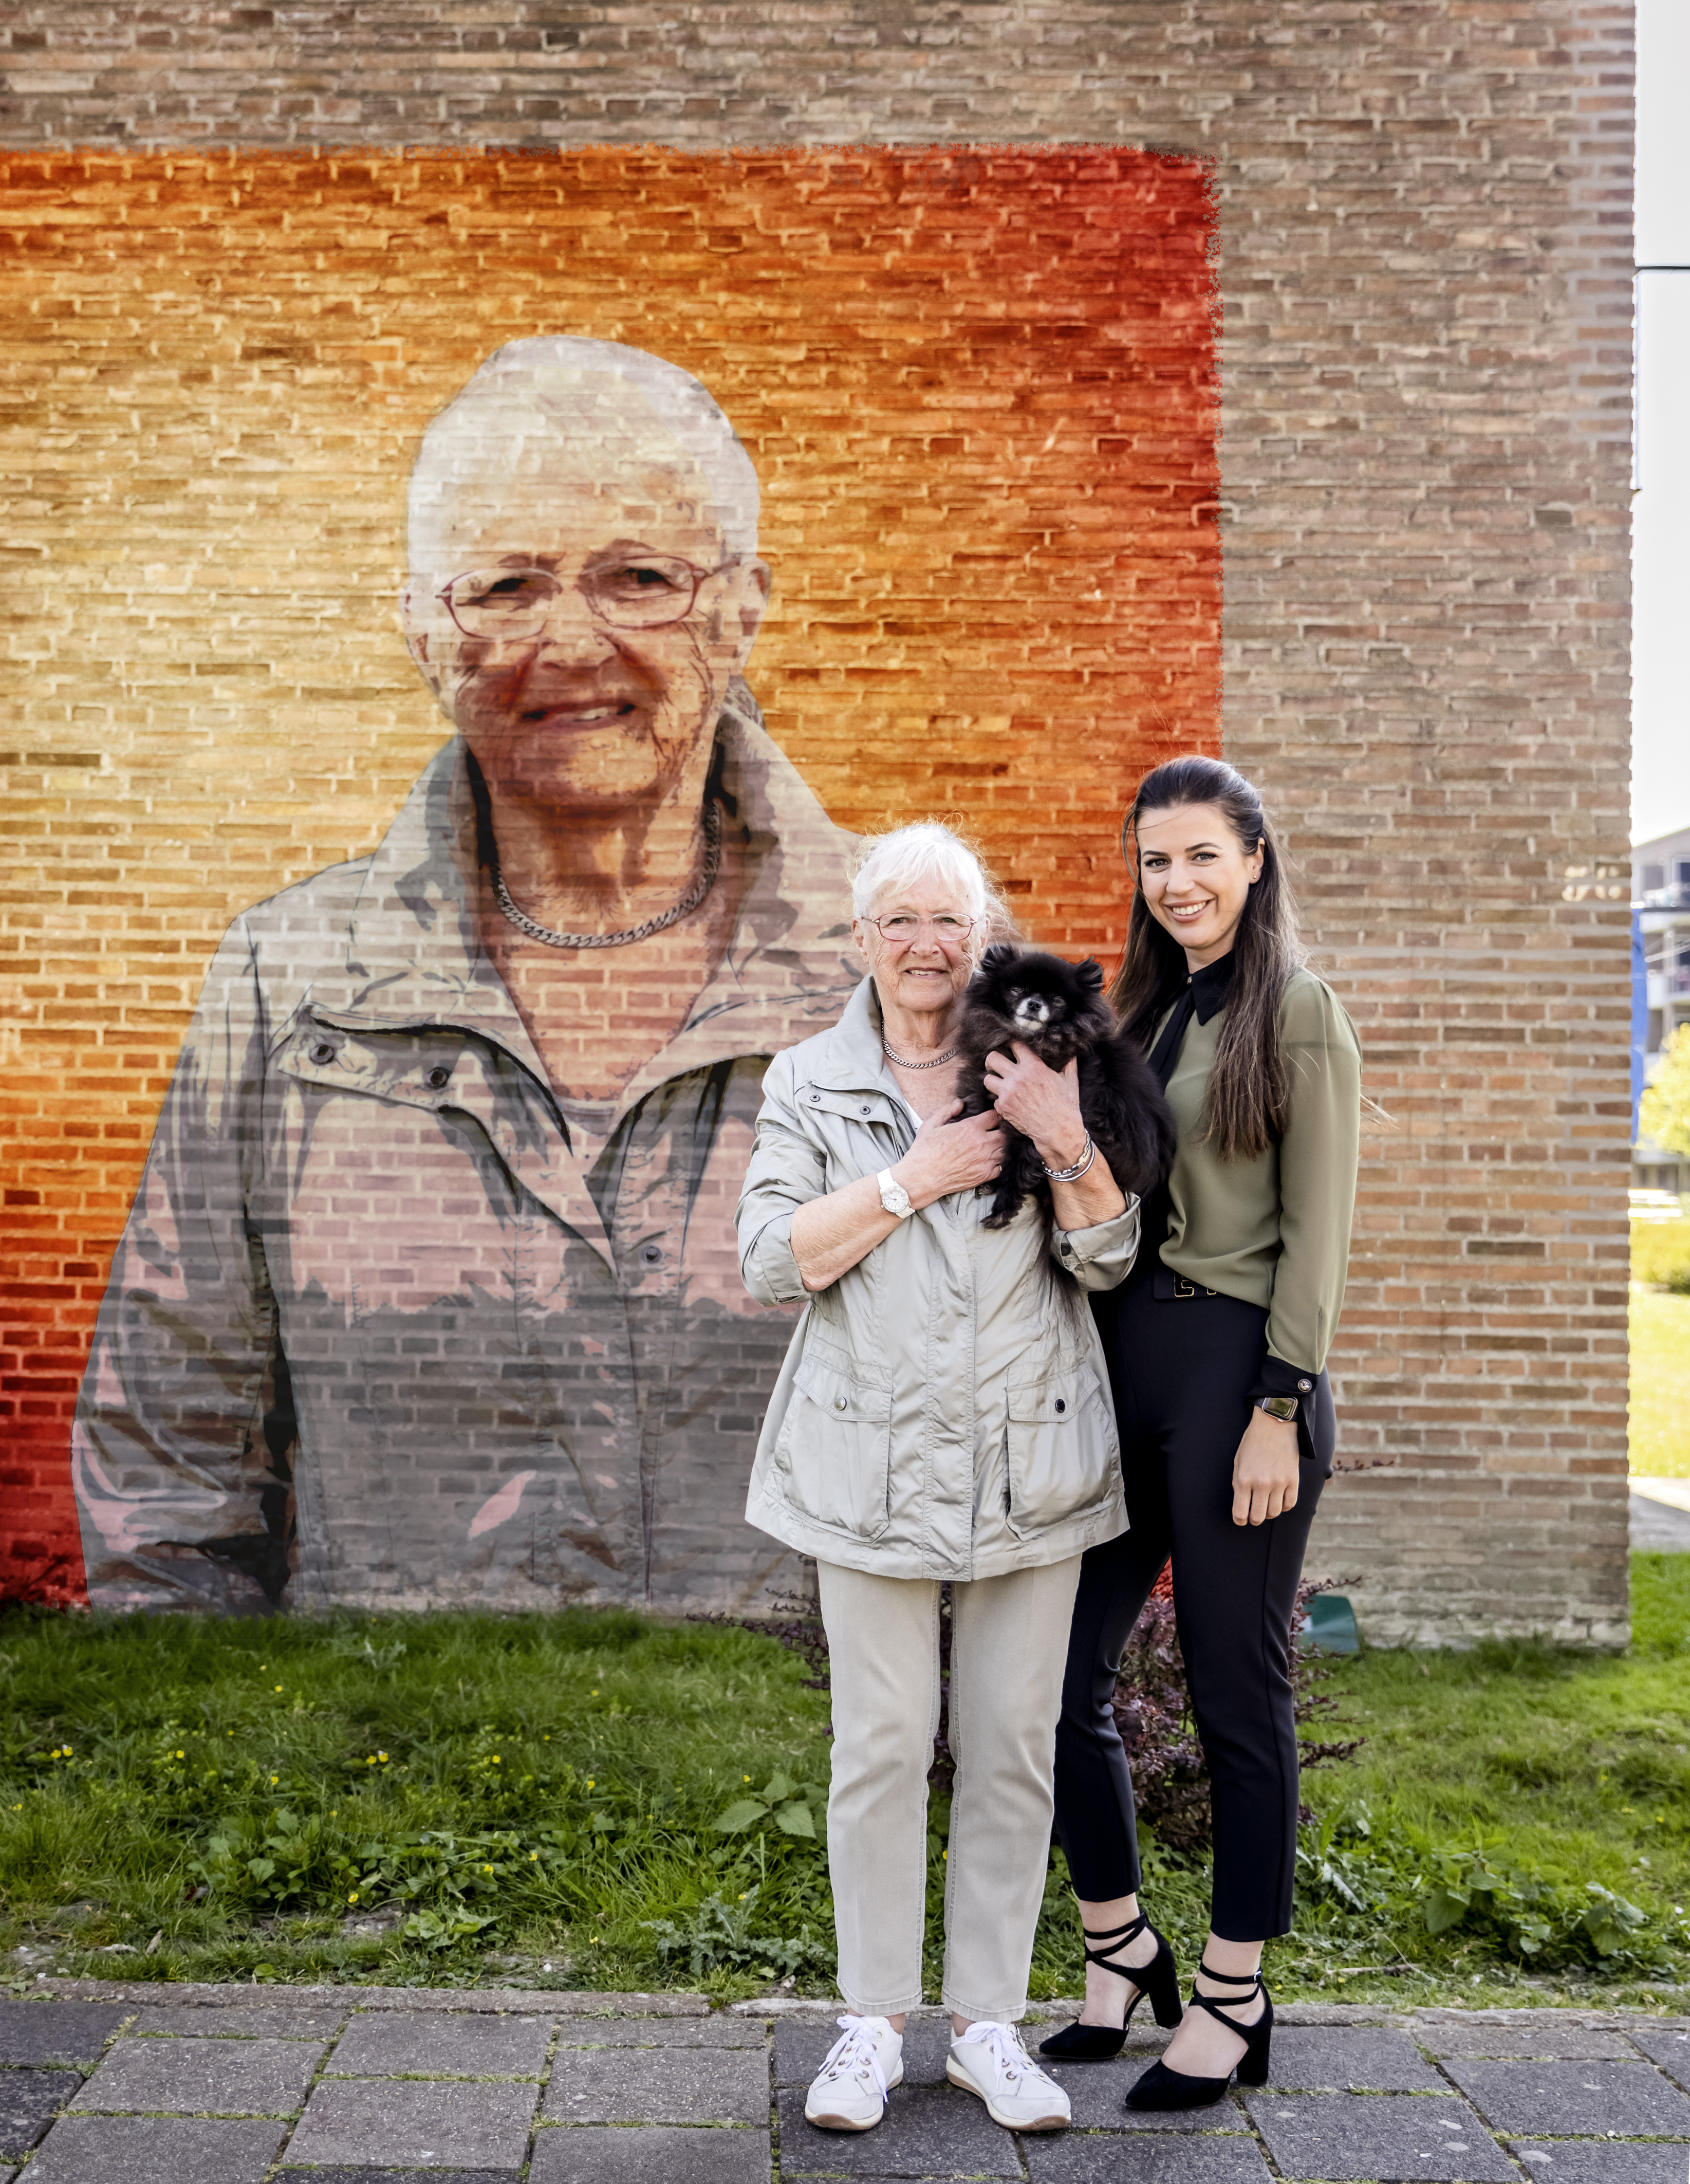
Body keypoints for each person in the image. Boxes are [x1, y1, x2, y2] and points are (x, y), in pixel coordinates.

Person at [71, 336, 862, 1617]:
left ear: (742, 605)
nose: (568, 641)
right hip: (396, 1783)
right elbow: (172, 1477)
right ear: (421, 631)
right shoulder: (289, 983)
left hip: (819, 1786)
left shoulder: (924, 971)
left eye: (640, 578)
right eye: (503, 586)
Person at [736, 823, 1142, 2138]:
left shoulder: (1037, 1058)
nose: (925, 945)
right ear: (861, 938)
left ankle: (984, 2025)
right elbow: (768, 1261)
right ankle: (869, 2022)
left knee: (1017, 1748)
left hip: (1032, 1460)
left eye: (949, 921)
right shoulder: (807, 1078)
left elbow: (1110, 1258)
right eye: (898, 920)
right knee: (883, 1746)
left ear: (982, 933)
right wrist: (913, 1178)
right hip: (868, 1463)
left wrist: (1061, 1136)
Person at [1038, 755, 1362, 2109]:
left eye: (1201, 857)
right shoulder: (1145, 1013)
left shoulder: (1295, 1011)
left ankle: (1235, 1987)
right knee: (1049, 1678)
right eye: (1155, 861)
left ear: (1253, 861)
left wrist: (1278, 1406)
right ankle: (1121, 1950)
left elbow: (1320, 1233)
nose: (1177, 883)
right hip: (1130, 1370)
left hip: (1242, 1378)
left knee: (1238, 1694)